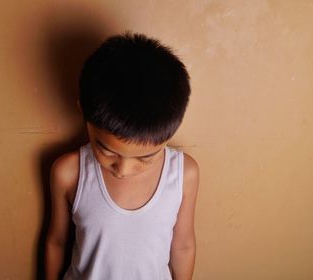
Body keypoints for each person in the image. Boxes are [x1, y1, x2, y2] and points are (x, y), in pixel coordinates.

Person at [45, 32, 199, 280]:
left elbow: (183, 246)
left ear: (170, 134)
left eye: (146, 157)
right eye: (106, 150)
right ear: (83, 113)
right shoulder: (68, 172)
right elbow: (56, 241)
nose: (123, 169)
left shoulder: (183, 175)